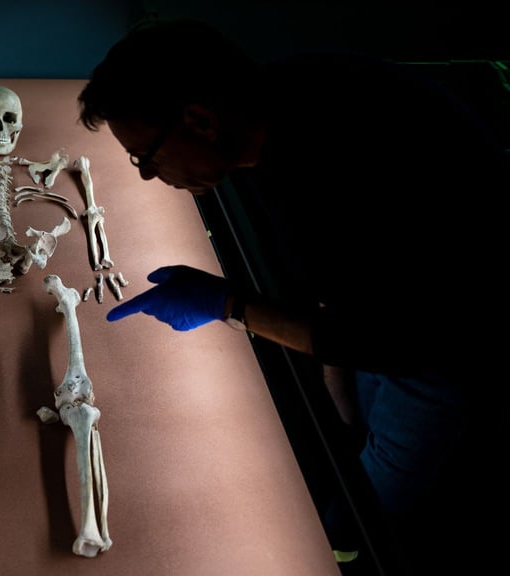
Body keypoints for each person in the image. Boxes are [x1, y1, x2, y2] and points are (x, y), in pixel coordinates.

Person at [78, 17, 505, 575]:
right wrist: (337, 384)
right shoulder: (290, 102)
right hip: (398, 316)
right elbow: (341, 288)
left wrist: (228, 305)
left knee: (363, 516)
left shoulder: (338, 162)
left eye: (146, 157)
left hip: (457, 344)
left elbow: (398, 340)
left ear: (200, 120)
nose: (148, 177)